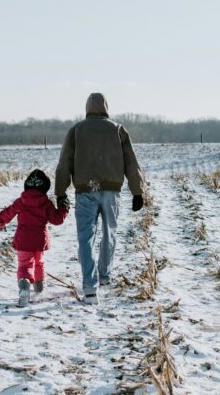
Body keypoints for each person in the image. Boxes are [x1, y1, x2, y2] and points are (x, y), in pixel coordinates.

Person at [55, 93, 145, 305]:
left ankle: (89, 287)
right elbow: (131, 162)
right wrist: (137, 191)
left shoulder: (76, 130)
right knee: (109, 233)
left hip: (85, 191)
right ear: (106, 107)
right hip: (112, 191)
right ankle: (104, 276)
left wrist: (60, 193)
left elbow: (64, 162)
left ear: (87, 107)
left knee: (86, 238)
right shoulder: (117, 129)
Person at [0, 169, 69, 307]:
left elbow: (8, 213)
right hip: (39, 240)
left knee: (24, 264)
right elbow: (57, 219)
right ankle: (39, 286)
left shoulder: (20, 202)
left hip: (23, 240)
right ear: (44, 188)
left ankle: (24, 287)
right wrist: (64, 207)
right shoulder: (46, 203)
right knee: (39, 262)